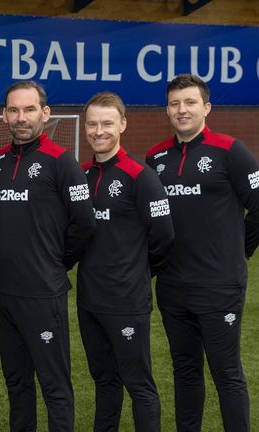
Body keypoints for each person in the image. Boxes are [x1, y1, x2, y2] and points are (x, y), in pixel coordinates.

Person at [146, 74, 258, 432]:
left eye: (190, 102)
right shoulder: (155, 157)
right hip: (173, 286)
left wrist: (239, 250)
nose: (182, 110)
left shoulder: (231, 151)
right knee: (185, 371)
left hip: (219, 286)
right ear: (167, 109)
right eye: (175, 103)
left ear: (206, 107)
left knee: (226, 373)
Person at [0, 81, 94, 432]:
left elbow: (84, 223)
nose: (21, 117)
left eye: (29, 109)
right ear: (4, 115)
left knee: (54, 385)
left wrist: (55, 263)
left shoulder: (61, 161)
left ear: (45, 114)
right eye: (14, 110)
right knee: (17, 384)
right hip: (3, 292)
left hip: (43, 293)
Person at [78, 92, 174, 431]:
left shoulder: (141, 176)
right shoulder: (81, 175)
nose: (99, 130)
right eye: (92, 124)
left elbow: (163, 237)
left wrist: (137, 272)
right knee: (104, 382)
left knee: (139, 385)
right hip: (89, 300)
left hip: (126, 301)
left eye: (107, 123)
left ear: (122, 124)